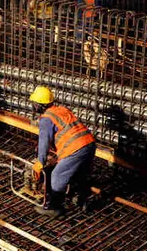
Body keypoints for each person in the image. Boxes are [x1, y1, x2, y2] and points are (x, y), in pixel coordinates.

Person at [29, 86, 96, 217]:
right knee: (79, 176)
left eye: (34, 103)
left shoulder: (46, 119)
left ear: (39, 105)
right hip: (89, 144)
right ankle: (82, 202)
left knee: (57, 176)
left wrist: (40, 162)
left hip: (75, 149)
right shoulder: (61, 110)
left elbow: (44, 143)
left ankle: (54, 207)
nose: (33, 106)